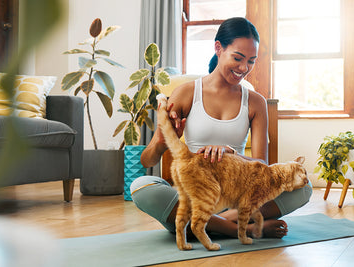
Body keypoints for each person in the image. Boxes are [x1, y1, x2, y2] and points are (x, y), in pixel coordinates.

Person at [130, 17, 312, 239]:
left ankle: (200, 224)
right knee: (142, 185)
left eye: (251, 61)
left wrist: (232, 153)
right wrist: (160, 141)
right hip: (197, 194)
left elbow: (262, 165)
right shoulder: (186, 94)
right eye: (238, 58)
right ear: (218, 48)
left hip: (238, 200)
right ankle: (238, 228)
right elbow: (147, 161)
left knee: (303, 187)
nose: (244, 68)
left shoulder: (255, 102)